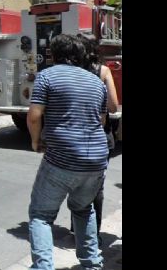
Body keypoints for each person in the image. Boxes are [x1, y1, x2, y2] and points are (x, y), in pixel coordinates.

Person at [27, 35, 108, 270]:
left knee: (41, 215)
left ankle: (43, 267)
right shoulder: (95, 82)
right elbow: (101, 121)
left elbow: (34, 116)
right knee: (84, 210)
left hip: (62, 158)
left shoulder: (47, 76)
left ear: (53, 54)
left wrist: (35, 142)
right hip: (96, 159)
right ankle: (92, 263)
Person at [74, 33, 119, 238]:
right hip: (99, 136)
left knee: (76, 184)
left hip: (74, 135)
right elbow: (112, 105)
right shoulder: (102, 71)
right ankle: (92, 233)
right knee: (96, 186)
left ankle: (77, 229)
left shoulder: (69, 72)